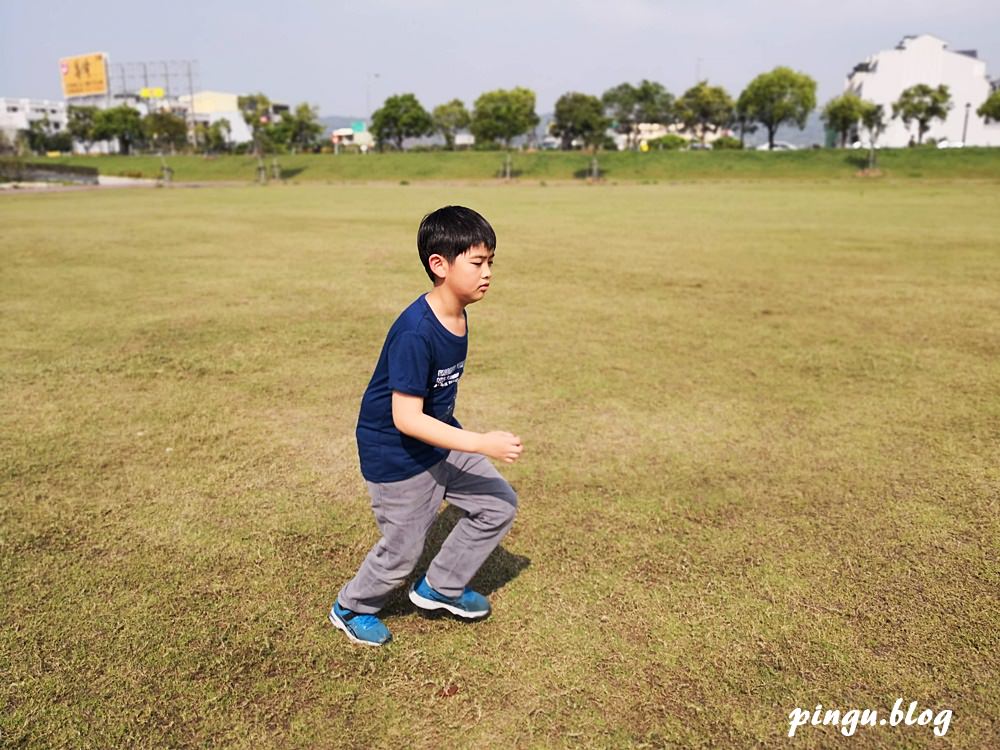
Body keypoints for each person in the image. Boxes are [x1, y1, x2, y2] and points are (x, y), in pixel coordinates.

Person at [330, 205, 523, 647]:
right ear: (439, 264)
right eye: (477, 263)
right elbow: (406, 418)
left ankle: (440, 587)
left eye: (490, 261)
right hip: (397, 455)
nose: (488, 272)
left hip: (437, 438)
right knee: (401, 552)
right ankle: (352, 606)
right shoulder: (416, 331)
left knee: (498, 504)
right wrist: (480, 442)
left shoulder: (458, 313)